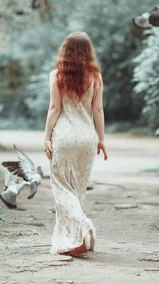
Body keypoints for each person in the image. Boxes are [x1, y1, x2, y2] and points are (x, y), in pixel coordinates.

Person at [43, 31, 108, 257]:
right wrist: (101, 139)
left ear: (65, 50)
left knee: (62, 189)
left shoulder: (56, 75)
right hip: (87, 138)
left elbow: (54, 109)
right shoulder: (96, 77)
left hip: (64, 137)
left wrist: (46, 137)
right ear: (88, 51)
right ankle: (71, 240)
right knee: (77, 190)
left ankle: (83, 225)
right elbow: (98, 110)